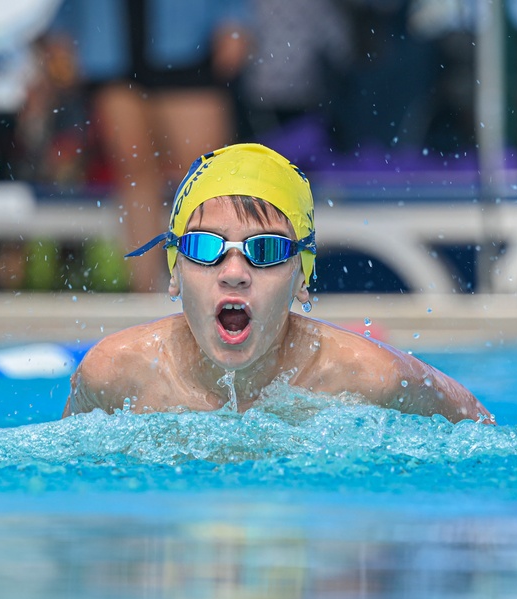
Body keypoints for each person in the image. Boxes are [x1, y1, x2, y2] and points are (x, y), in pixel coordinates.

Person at [63, 143, 492, 423]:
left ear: (302, 281)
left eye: (265, 250)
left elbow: (482, 433)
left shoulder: (368, 377)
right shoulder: (115, 373)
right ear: (174, 273)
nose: (233, 272)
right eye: (205, 248)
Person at [48, 0, 250, 292]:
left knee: (206, 177)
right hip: (112, 45)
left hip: (188, 40)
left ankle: (212, 285)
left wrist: (233, 17)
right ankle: (144, 291)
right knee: (134, 174)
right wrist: (61, 27)